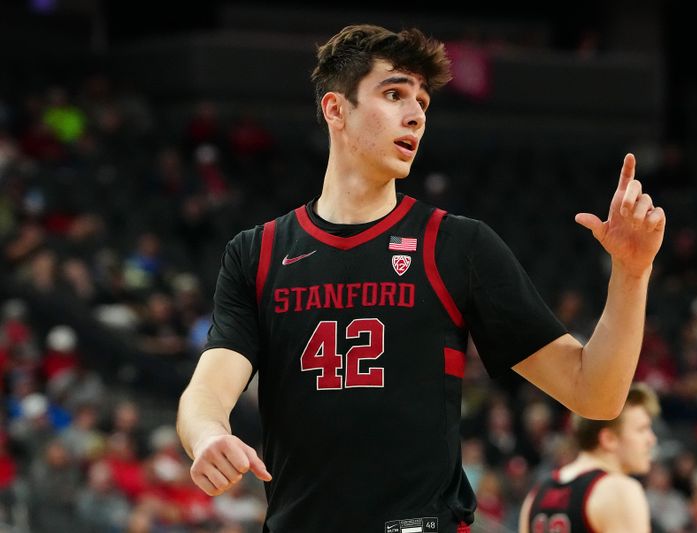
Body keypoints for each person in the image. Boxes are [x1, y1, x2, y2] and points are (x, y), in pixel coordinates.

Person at [176, 24, 666, 533]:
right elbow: (206, 392)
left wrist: (631, 274)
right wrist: (209, 434)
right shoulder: (256, 253)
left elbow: (595, 393)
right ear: (335, 110)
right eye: (394, 94)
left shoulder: (457, 245)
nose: (415, 115)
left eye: (423, 102)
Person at [518, 383, 660, 533]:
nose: (651, 439)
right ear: (609, 439)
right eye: (642, 429)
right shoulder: (619, 491)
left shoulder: (536, 494)